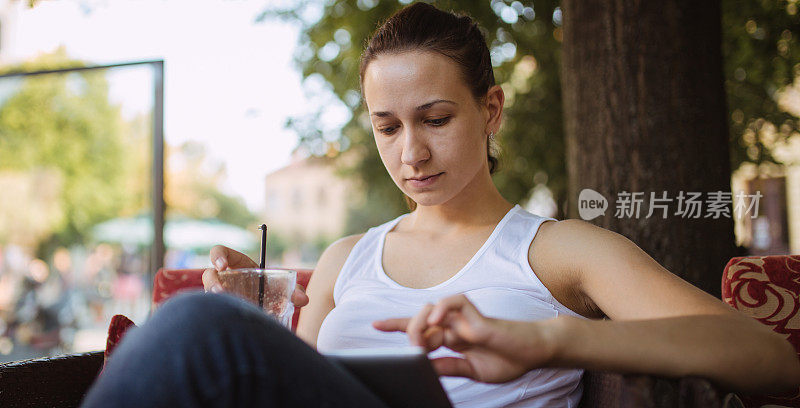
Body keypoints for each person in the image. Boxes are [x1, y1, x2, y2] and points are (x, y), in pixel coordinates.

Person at [82, 3, 799, 407]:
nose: (411, 155)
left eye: (435, 119)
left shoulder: (558, 251)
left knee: (191, 323)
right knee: (201, 326)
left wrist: (547, 342)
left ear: (490, 110)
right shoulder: (346, 259)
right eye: (387, 127)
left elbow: (769, 359)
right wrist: (252, 327)